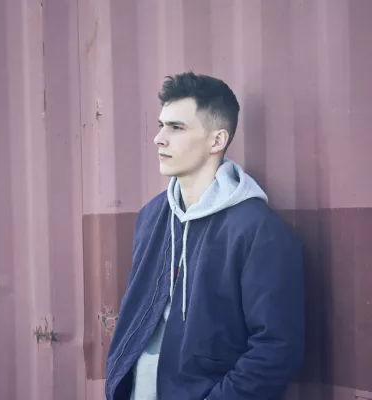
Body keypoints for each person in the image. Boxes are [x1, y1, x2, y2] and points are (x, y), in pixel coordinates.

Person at [105, 72, 304, 400]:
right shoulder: (152, 218)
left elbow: (277, 348)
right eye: (161, 125)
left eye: (176, 128)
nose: (159, 138)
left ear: (216, 140)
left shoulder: (259, 232)